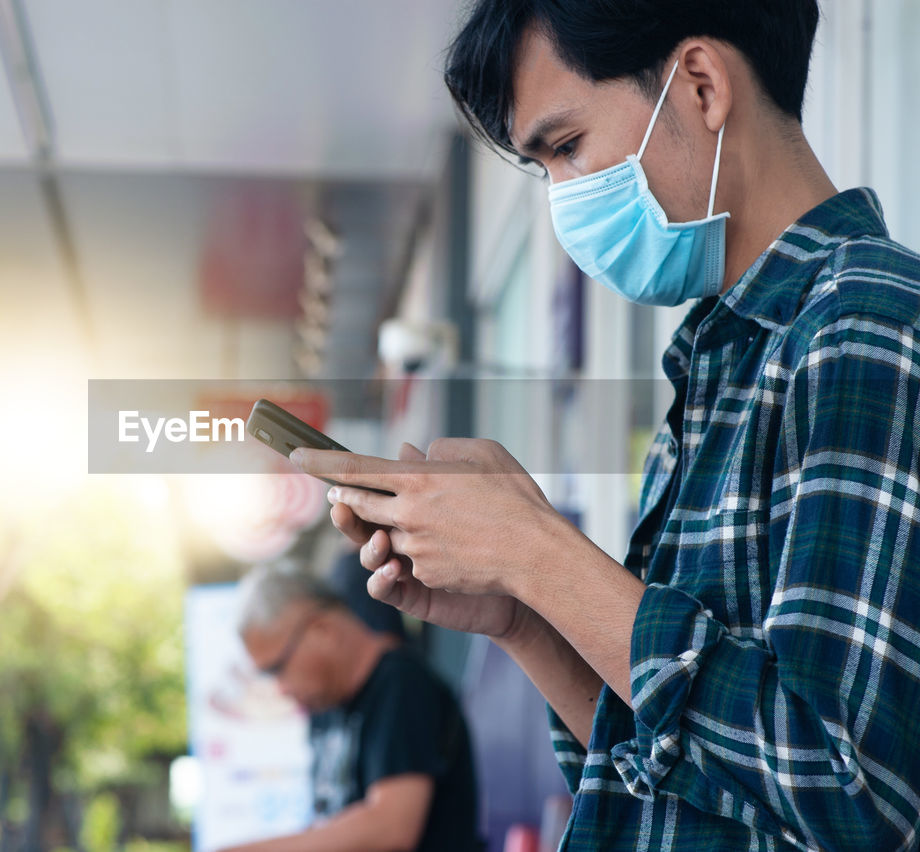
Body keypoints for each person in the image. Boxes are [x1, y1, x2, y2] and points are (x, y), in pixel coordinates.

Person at [288, 0, 920, 848]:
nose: (563, 200)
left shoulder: (868, 322)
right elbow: (670, 770)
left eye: (568, 147)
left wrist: (534, 550)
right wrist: (519, 612)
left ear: (699, 84)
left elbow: (850, 792)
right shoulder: (716, 366)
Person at [218, 564, 480, 852]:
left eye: (277, 668)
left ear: (322, 630)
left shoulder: (401, 686)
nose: (280, 688)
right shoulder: (324, 705)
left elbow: (390, 828)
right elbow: (329, 827)